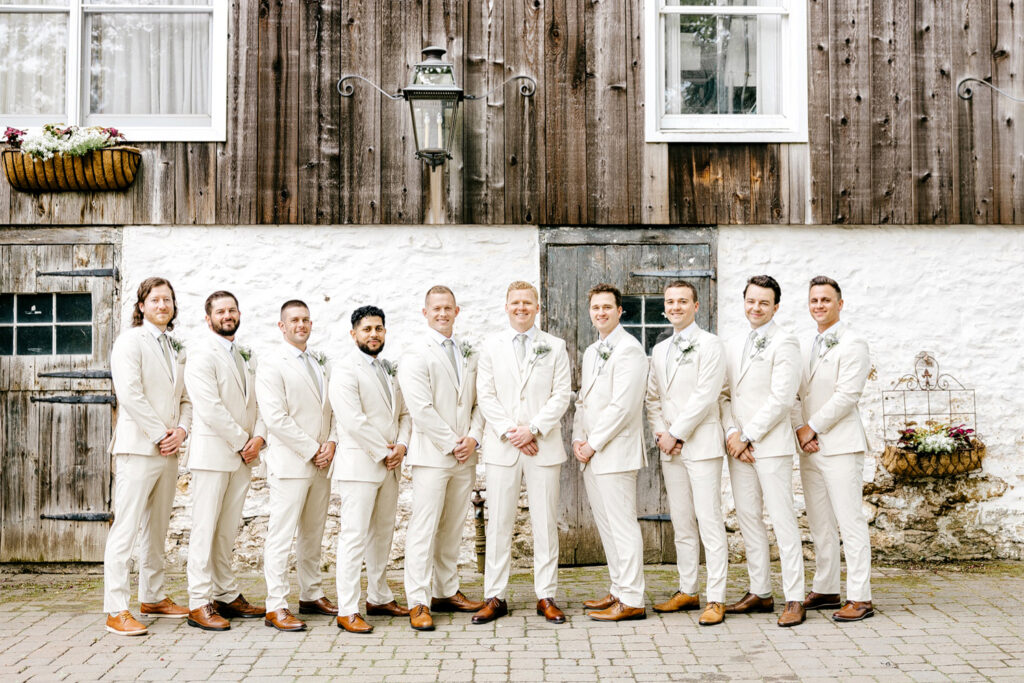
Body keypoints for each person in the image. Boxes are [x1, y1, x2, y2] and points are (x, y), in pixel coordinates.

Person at [473, 281, 572, 625]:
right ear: (506, 306)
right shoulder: (490, 346)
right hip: (503, 447)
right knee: (499, 523)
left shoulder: (555, 347)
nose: (521, 307)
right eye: (515, 302)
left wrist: (533, 429)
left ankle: (545, 595)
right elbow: (485, 395)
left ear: (537, 307)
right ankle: (495, 596)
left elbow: (562, 394)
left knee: (545, 523)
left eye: (527, 302)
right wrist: (512, 432)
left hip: (542, 445)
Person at [103, 277, 192, 636]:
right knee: (125, 528)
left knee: (157, 528)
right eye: (155, 300)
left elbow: (185, 399)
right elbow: (130, 393)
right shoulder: (130, 342)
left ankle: (153, 596)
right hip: (139, 448)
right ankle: (115, 608)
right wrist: (160, 434)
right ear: (142, 306)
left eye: (167, 300)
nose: (162, 305)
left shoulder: (175, 347)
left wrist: (182, 431)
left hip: (168, 450)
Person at [719, 275, 806, 627]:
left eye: (763, 303)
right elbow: (725, 394)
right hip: (738, 447)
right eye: (751, 301)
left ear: (776, 307)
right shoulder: (734, 341)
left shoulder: (785, 342)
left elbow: (782, 398)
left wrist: (750, 435)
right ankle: (760, 591)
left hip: (769, 446)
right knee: (748, 518)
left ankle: (795, 597)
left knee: (783, 521)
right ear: (744, 302)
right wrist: (731, 433)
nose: (756, 308)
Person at [399, 286, 485, 631]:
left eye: (448, 308)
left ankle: (446, 590)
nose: (442, 313)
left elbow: (480, 402)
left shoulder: (470, 353)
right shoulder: (415, 354)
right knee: (425, 526)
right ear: (425, 312)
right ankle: (418, 600)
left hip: (466, 455)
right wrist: (453, 443)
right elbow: (421, 408)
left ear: (457, 311)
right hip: (434, 455)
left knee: (452, 527)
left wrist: (474, 438)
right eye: (436, 308)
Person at [645, 280, 729, 626]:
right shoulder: (660, 349)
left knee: (709, 520)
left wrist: (677, 432)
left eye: (683, 301)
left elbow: (707, 395)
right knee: (682, 522)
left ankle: (717, 598)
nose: (676, 306)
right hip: (671, 448)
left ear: (696, 306)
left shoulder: (710, 344)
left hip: (702, 443)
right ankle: (688, 589)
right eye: (670, 301)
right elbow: (652, 398)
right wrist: (662, 433)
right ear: (664, 308)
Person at [183, 291, 266, 631]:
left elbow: (261, 401)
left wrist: (259, 437)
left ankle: (226, 594)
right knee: (205, 529)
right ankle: (198, 601)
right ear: (208, 318)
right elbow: (209, 406)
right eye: (220, 311)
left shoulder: (246, 355)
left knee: (227, 530)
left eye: (232, 309)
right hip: (214, 455)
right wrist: (243, 441)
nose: (227, 315)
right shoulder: (201, 354)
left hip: (243, 456)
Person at [793, 276, 874, 622]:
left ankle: (860, 596)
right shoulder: (802, 343)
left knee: (849, 519)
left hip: (840, 444)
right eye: (814, 300)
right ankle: (826, 587)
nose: (819, 306)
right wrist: (801, 429)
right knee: (820, 520)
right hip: (809, 445)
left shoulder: (853, 343)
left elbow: (847, 395)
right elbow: (795, 393)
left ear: (840, 304)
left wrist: (813, 426)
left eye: (826, 300)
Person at [328, 305, 412, 633]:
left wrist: (402, 447)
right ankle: (348, 608)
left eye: (378, 328)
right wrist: (383, 452)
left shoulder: (389, 369)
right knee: (354, 536)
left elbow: (404, 414)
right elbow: (352, 419)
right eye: (367, 329)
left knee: (383, 535)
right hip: (360, 466)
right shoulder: (345, 369)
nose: (373, 334)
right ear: (354, 334)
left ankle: (378, 597)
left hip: (390, 464)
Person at [256, 300, 338, 632]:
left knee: (313, 533)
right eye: (294, 320)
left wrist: (332, 442)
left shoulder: (321, 363)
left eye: (305, 319)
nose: (300, 325)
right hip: (291, 463)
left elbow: (332, 409)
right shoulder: (272, 364)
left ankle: (311, 593)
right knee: (281, 534)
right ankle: (275, 605)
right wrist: (312, 448)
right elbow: (275, 418)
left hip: (322, 463)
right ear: (282, 326)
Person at [572, 283, 648, 622]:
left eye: (607, 307)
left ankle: (633, 598)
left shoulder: (629, 350)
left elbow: (623, 407)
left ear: (620, 311)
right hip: (592, 453)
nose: (600, 312)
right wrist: (577, 438)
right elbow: (583, 401)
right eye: (595, 308)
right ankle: (618, 588)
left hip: (614, 452)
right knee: (607, 526)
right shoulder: (592, 351)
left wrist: (592, 443)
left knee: (623, 526)